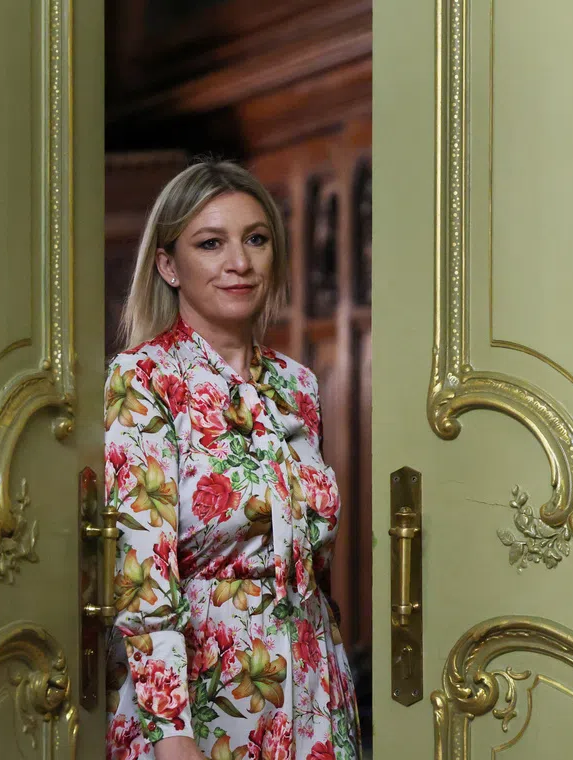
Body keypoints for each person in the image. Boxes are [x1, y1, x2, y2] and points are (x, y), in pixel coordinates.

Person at [103, 160, 359, 760]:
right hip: (206, 701)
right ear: (168, 264)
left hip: (315, 688)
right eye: (211, 243)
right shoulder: (145, 379)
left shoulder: (295, 384)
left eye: (256, 239)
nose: (239, 262)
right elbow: (144, 579)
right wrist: (172, 736)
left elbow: (307, 559)